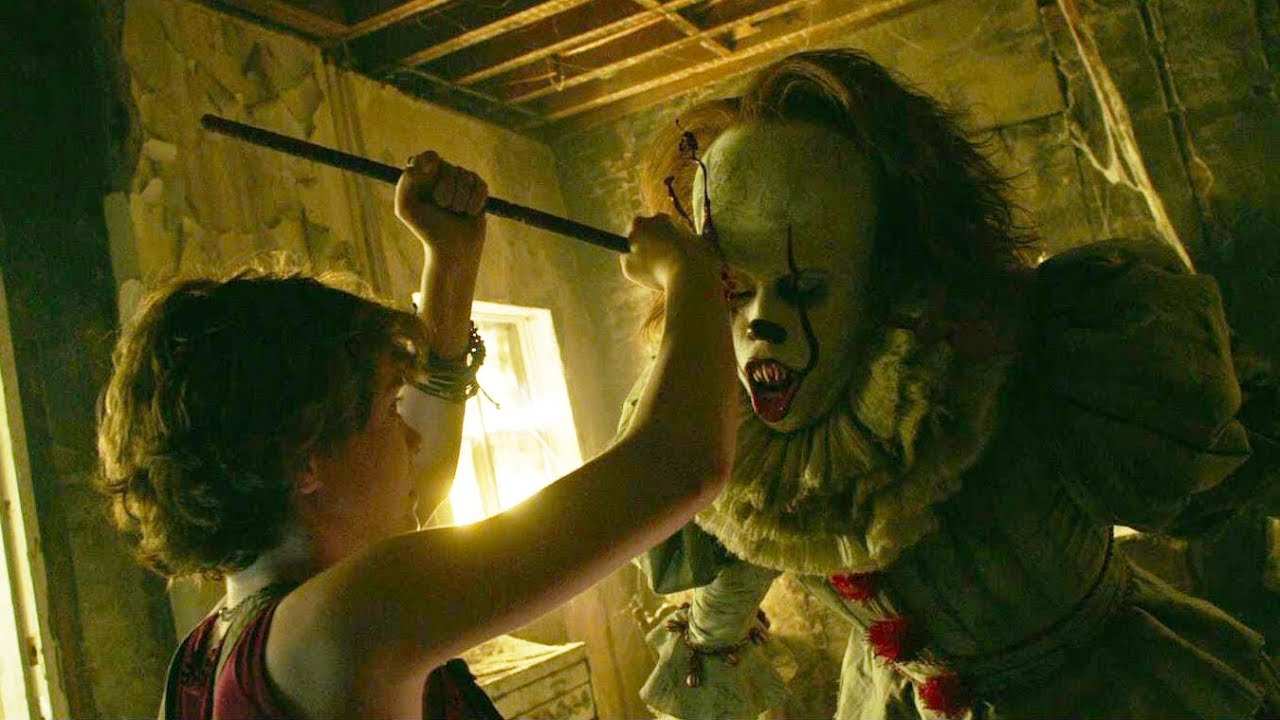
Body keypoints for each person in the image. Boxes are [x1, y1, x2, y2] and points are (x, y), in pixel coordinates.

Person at [621, 48, 1280, 719]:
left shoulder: (1012, 361)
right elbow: (736, 582)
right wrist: (702, 653)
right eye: (730, 291)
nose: (761, 323)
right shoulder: (746, 453)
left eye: (806, 288)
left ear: (885, 273)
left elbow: (1221, 473)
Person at [95, 150, 737, 718]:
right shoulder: (347, 621)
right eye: (388, 412)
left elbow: (418, 479)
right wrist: (690, 272)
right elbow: (679, 465)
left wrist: (451, 260)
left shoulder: (203, 661)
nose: (411, 439)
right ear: (304, 462)